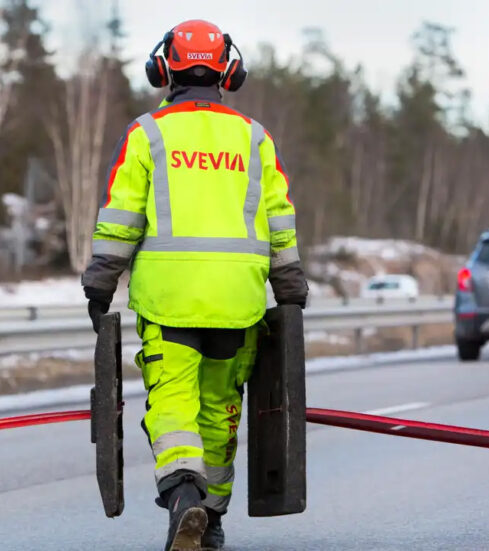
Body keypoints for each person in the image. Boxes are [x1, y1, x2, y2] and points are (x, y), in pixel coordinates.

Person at [81, 19, 307, 551]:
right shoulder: (254, 138)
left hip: (170, 302)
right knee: (219, 413)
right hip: (239, 303)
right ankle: (213, 518)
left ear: (164, 69)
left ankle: (185, 498)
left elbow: (121, 219)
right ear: (230, 72)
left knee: (173, 405)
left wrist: (99, 284)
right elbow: (280, 220)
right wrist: (291, 286)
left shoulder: (148, 134)